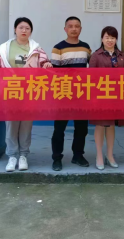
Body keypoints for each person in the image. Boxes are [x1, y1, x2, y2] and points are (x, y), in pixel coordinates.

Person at [0, 17, 52, 172]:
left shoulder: (36, 49)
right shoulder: (5, 47)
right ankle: (12, 156)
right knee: (11, 123)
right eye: (21, 27)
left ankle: (23, 155)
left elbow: (45, 63)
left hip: (29, 90)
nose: (24, 30)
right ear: (15, 29)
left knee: (26, 123)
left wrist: (46, 64)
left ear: (31, 31)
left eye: (27, 28)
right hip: (11, 89)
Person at [50, 16, 92, 171]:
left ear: (81, 29)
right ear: (65, 29)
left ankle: (78, 155)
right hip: (64, 93)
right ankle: (56, 158)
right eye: (71, 26)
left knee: (82, 128)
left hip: (81, 94)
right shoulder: (58, 48)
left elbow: (91, 69)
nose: (74, 29)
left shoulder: (86, 48)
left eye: (77, 26)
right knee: (59, 129)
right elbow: (54, 74)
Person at [89, 26, 124, 170]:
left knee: (111, 125)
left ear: (116, 39)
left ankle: (110, 155)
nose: (110, 40)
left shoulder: (122, 55)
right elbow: (90, 78)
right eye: (107, 37)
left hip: (116, 96)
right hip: (100, 96)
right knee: (100, 125)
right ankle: (99, 155)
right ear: (102, 39)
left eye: (112, 37)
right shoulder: (96, 55)